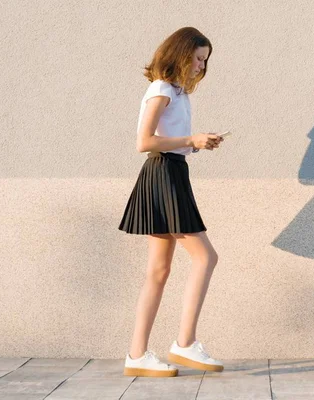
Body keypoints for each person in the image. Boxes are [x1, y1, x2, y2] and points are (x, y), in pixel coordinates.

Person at [118, 27, 225, 378]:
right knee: (206, 256)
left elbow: (169, 140)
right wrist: (190, 138)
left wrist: (196, 143)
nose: (200, 66)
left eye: (204, 61)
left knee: (159, 271)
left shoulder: (177, 93)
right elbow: (144, 141)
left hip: (172, 170)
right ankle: (185, 343)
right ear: (180, 54)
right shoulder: (162, 88)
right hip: (163, 173)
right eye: (197, 58)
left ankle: (137, 355)